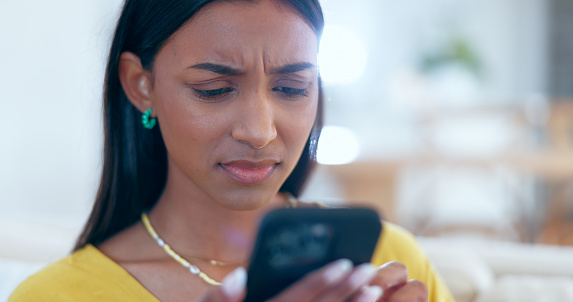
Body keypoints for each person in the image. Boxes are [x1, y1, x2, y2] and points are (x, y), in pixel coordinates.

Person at [10, 0, 453, 301]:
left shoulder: (389, 262)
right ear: (140, 86)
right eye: (214, 89)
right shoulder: (57, 295)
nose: (259, 132)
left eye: (291, 87)